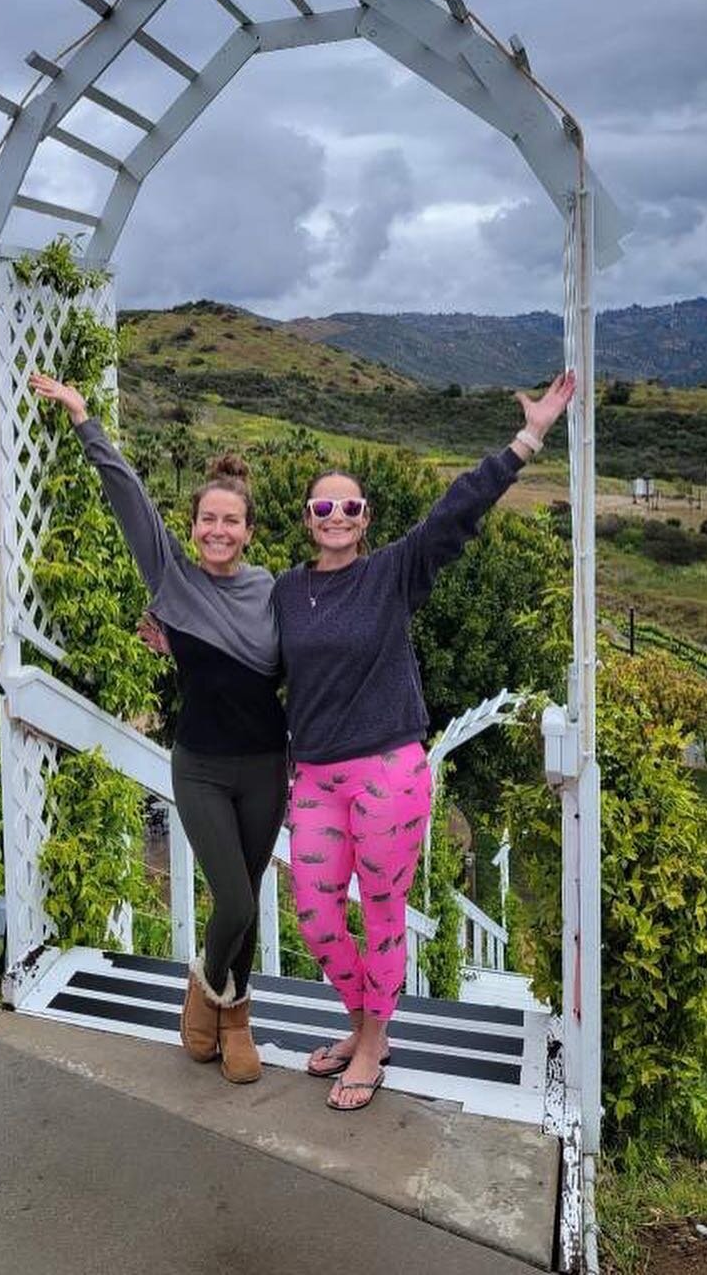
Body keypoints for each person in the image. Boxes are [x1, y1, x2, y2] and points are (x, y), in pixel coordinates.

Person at [275, 372, 575, 1112]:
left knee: (381, 909)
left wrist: (527, 437)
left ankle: (373, 1041)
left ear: (365, 516)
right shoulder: (285, 590)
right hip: (311, 775)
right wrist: (174, 641)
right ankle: (359, 1024)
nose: (336, 514)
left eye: (349, 505)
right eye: (323, 505)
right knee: (314, 912)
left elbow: (455, 514)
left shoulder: (391, 574)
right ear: (308, 518)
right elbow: (242, 649)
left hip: (387, 770)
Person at [29, 372, 287, 1084]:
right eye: (208, 518)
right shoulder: (171, 577)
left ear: (249, 531)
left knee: (250, 896)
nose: (218, 530)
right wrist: (84, 418)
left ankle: (233, 1015)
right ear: (195, 522)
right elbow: (128, 497)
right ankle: (214, 995)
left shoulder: (273, 590)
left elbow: (306, 660)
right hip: (201, 764)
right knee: (232, 898)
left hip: (268, 763)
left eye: (232, 521)